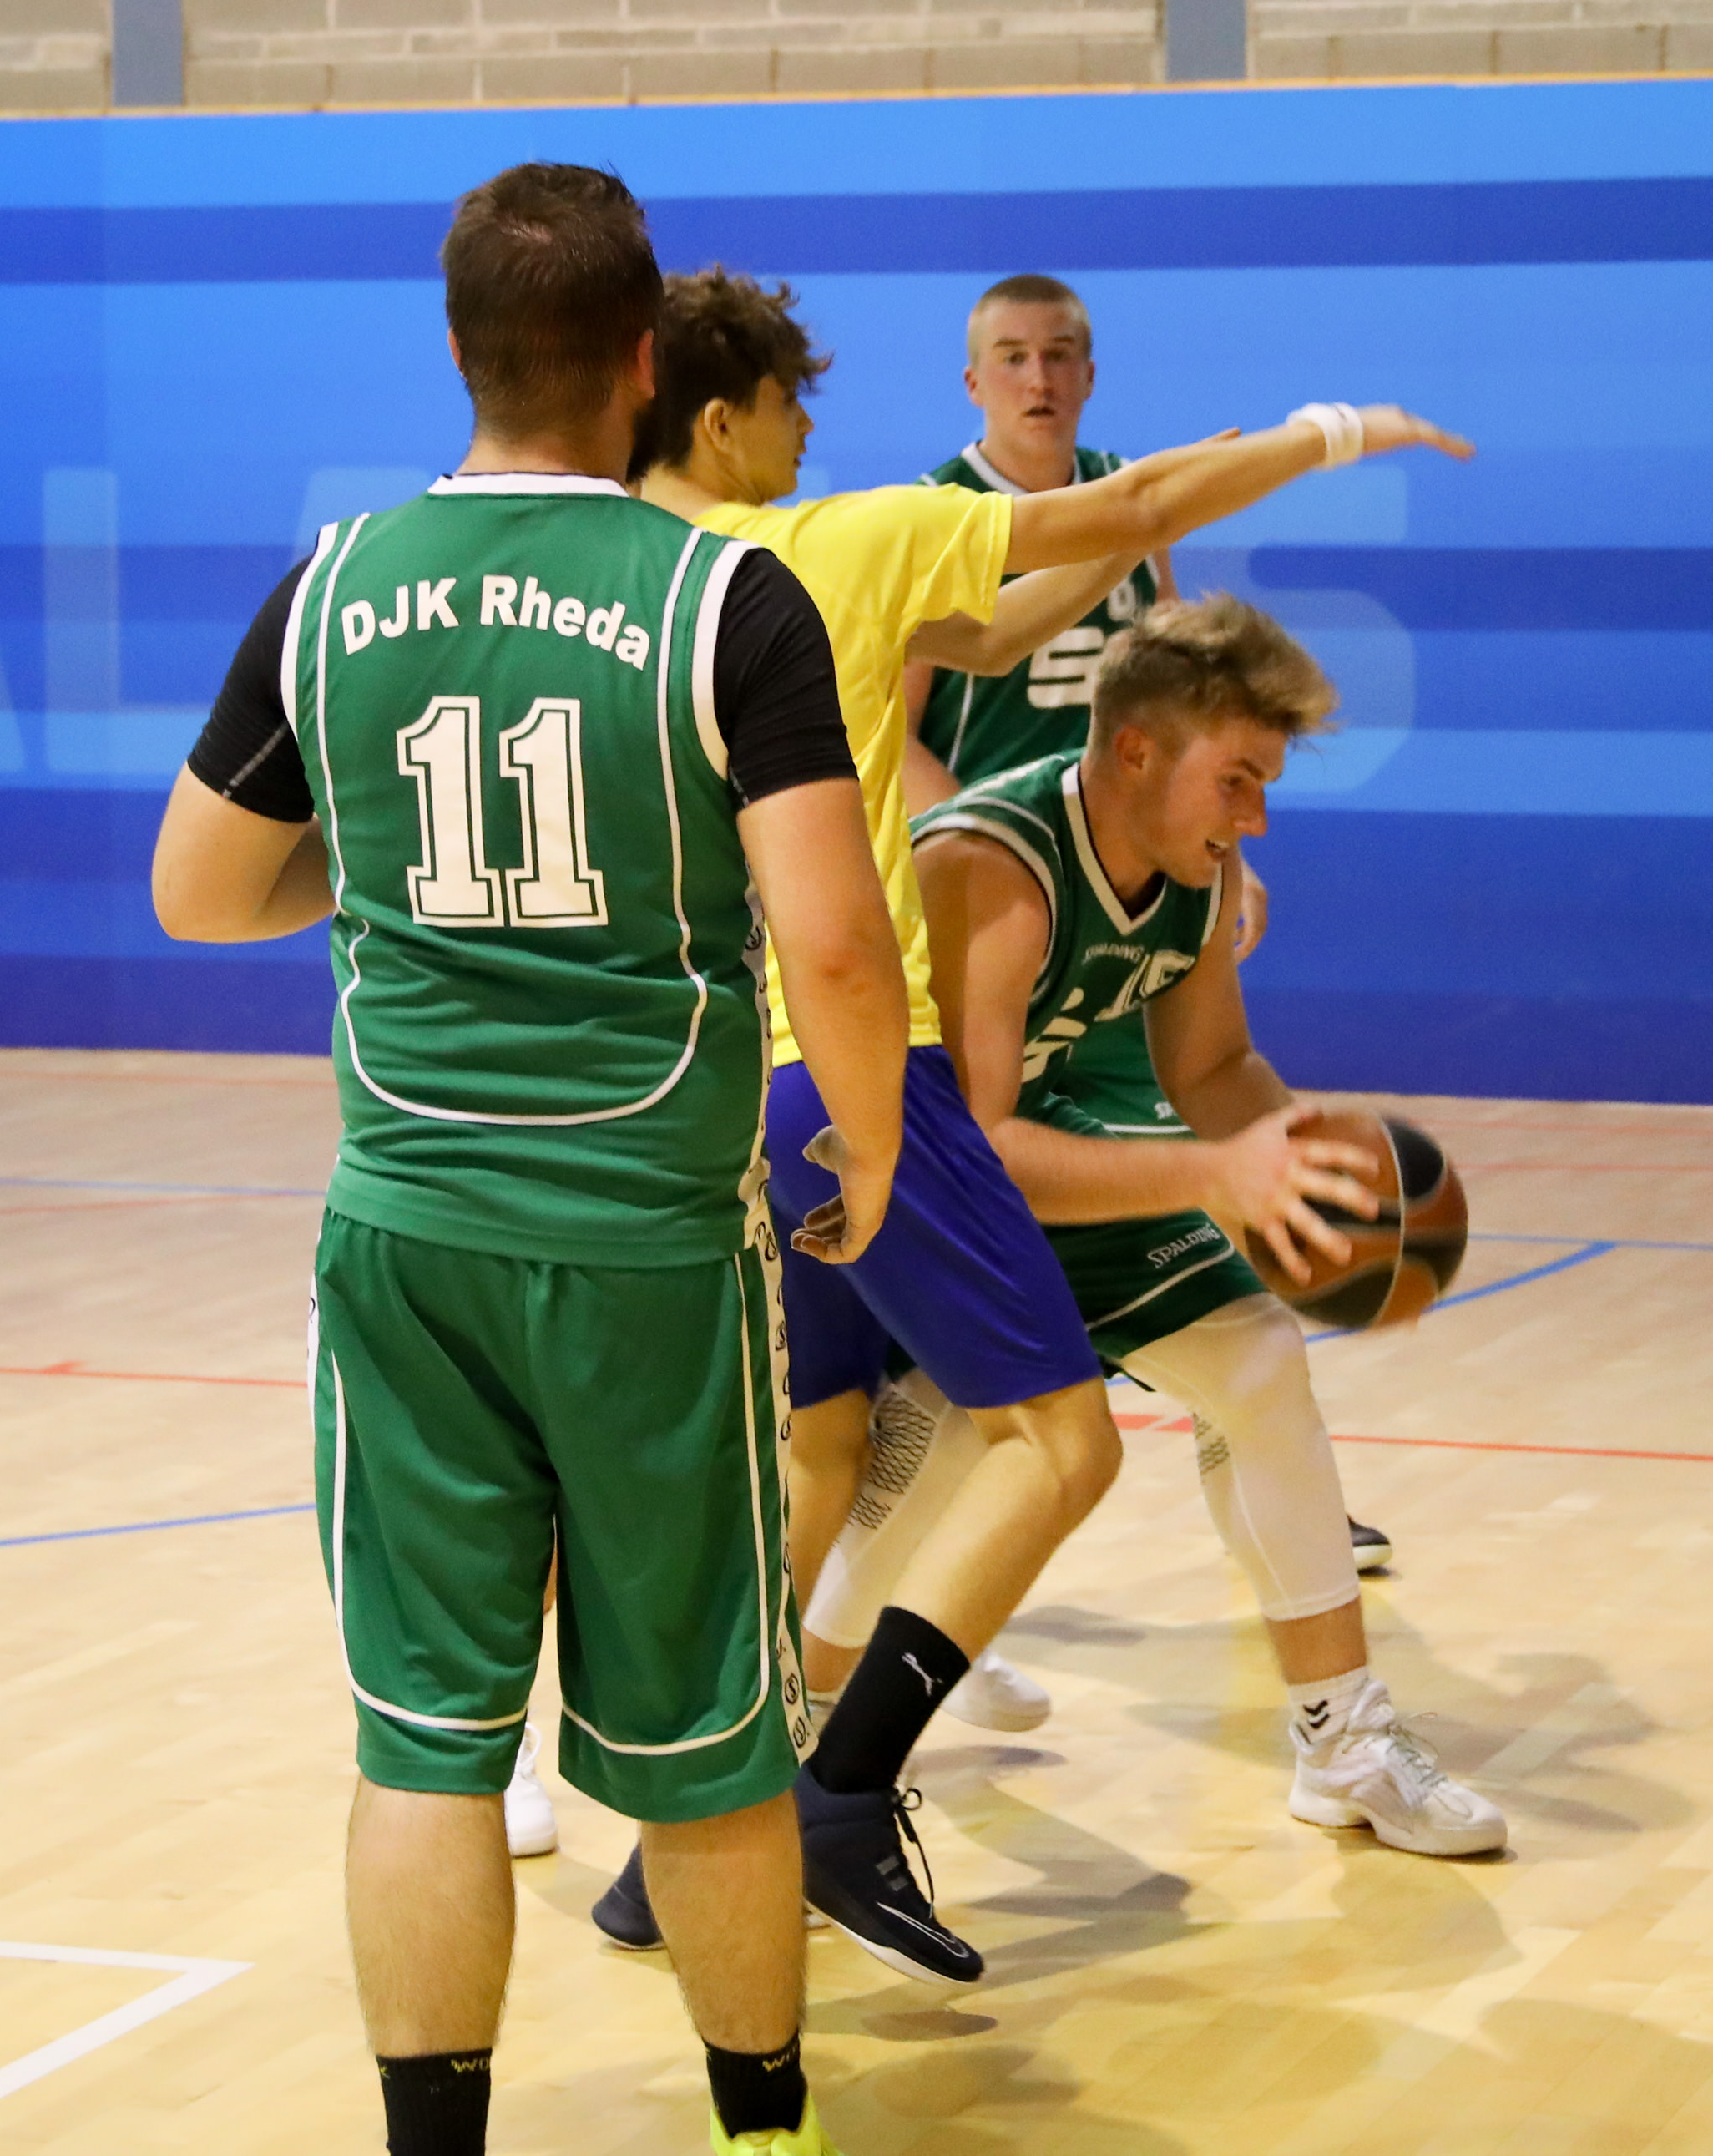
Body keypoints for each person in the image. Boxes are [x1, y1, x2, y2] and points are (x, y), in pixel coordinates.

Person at [597, 266, 1473, 1983]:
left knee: (840, 1453)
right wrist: (1330, 432)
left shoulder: (615, 585)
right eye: (788, 404)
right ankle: (841, 1802)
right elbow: (1126, 513)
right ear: (719, 415)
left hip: (685, 1079)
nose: (809, 433)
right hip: (852, 1063)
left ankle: (682, 1829)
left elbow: (997, 635)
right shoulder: (826, 550)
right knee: (1055, 1444)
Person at [149, 164, 903, 2156]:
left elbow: (197, 890)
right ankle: (762, 2134)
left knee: (425, 1745)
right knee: (707, 1741)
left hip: (405, 1235)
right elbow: (832, 938)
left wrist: (382, 886)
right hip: (643, 1242)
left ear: (460, 350)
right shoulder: (723, 598)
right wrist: (873, 1137)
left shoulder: (332, 589)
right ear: (647, 362)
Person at [825, 592, 1508, 1857]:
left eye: (1265, 788)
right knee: (954, 1446)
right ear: (1135, 750)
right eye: (1237, 780)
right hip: (872, 1164)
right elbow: (971, 1148)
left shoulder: (1195, 861)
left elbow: (1210, 1068)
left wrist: (1297, 1169)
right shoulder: (991, 867)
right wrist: (1210, 1176)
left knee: (1257, 1360)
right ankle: (809, 1739)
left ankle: (1344, 1740)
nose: (1255, 819)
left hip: (1028, 1136)